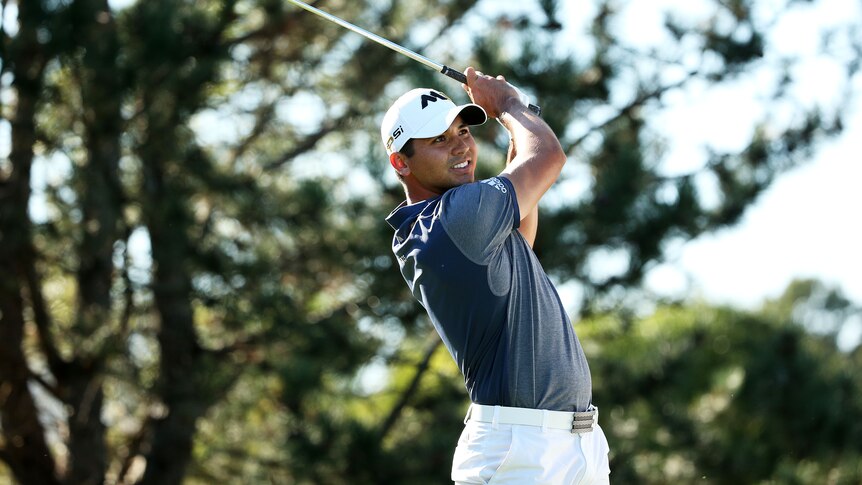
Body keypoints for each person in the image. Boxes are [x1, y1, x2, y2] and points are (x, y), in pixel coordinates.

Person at [381, 67, 610, 484]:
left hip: (571, 445)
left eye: (462, 132)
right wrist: (508, 104)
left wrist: (520, 115)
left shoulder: (450, 221)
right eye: (439, 140)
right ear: (401, 163)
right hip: (519, 451)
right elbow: (548, 159)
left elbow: (522, 229)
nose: (460, 147)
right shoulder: (459, 215)